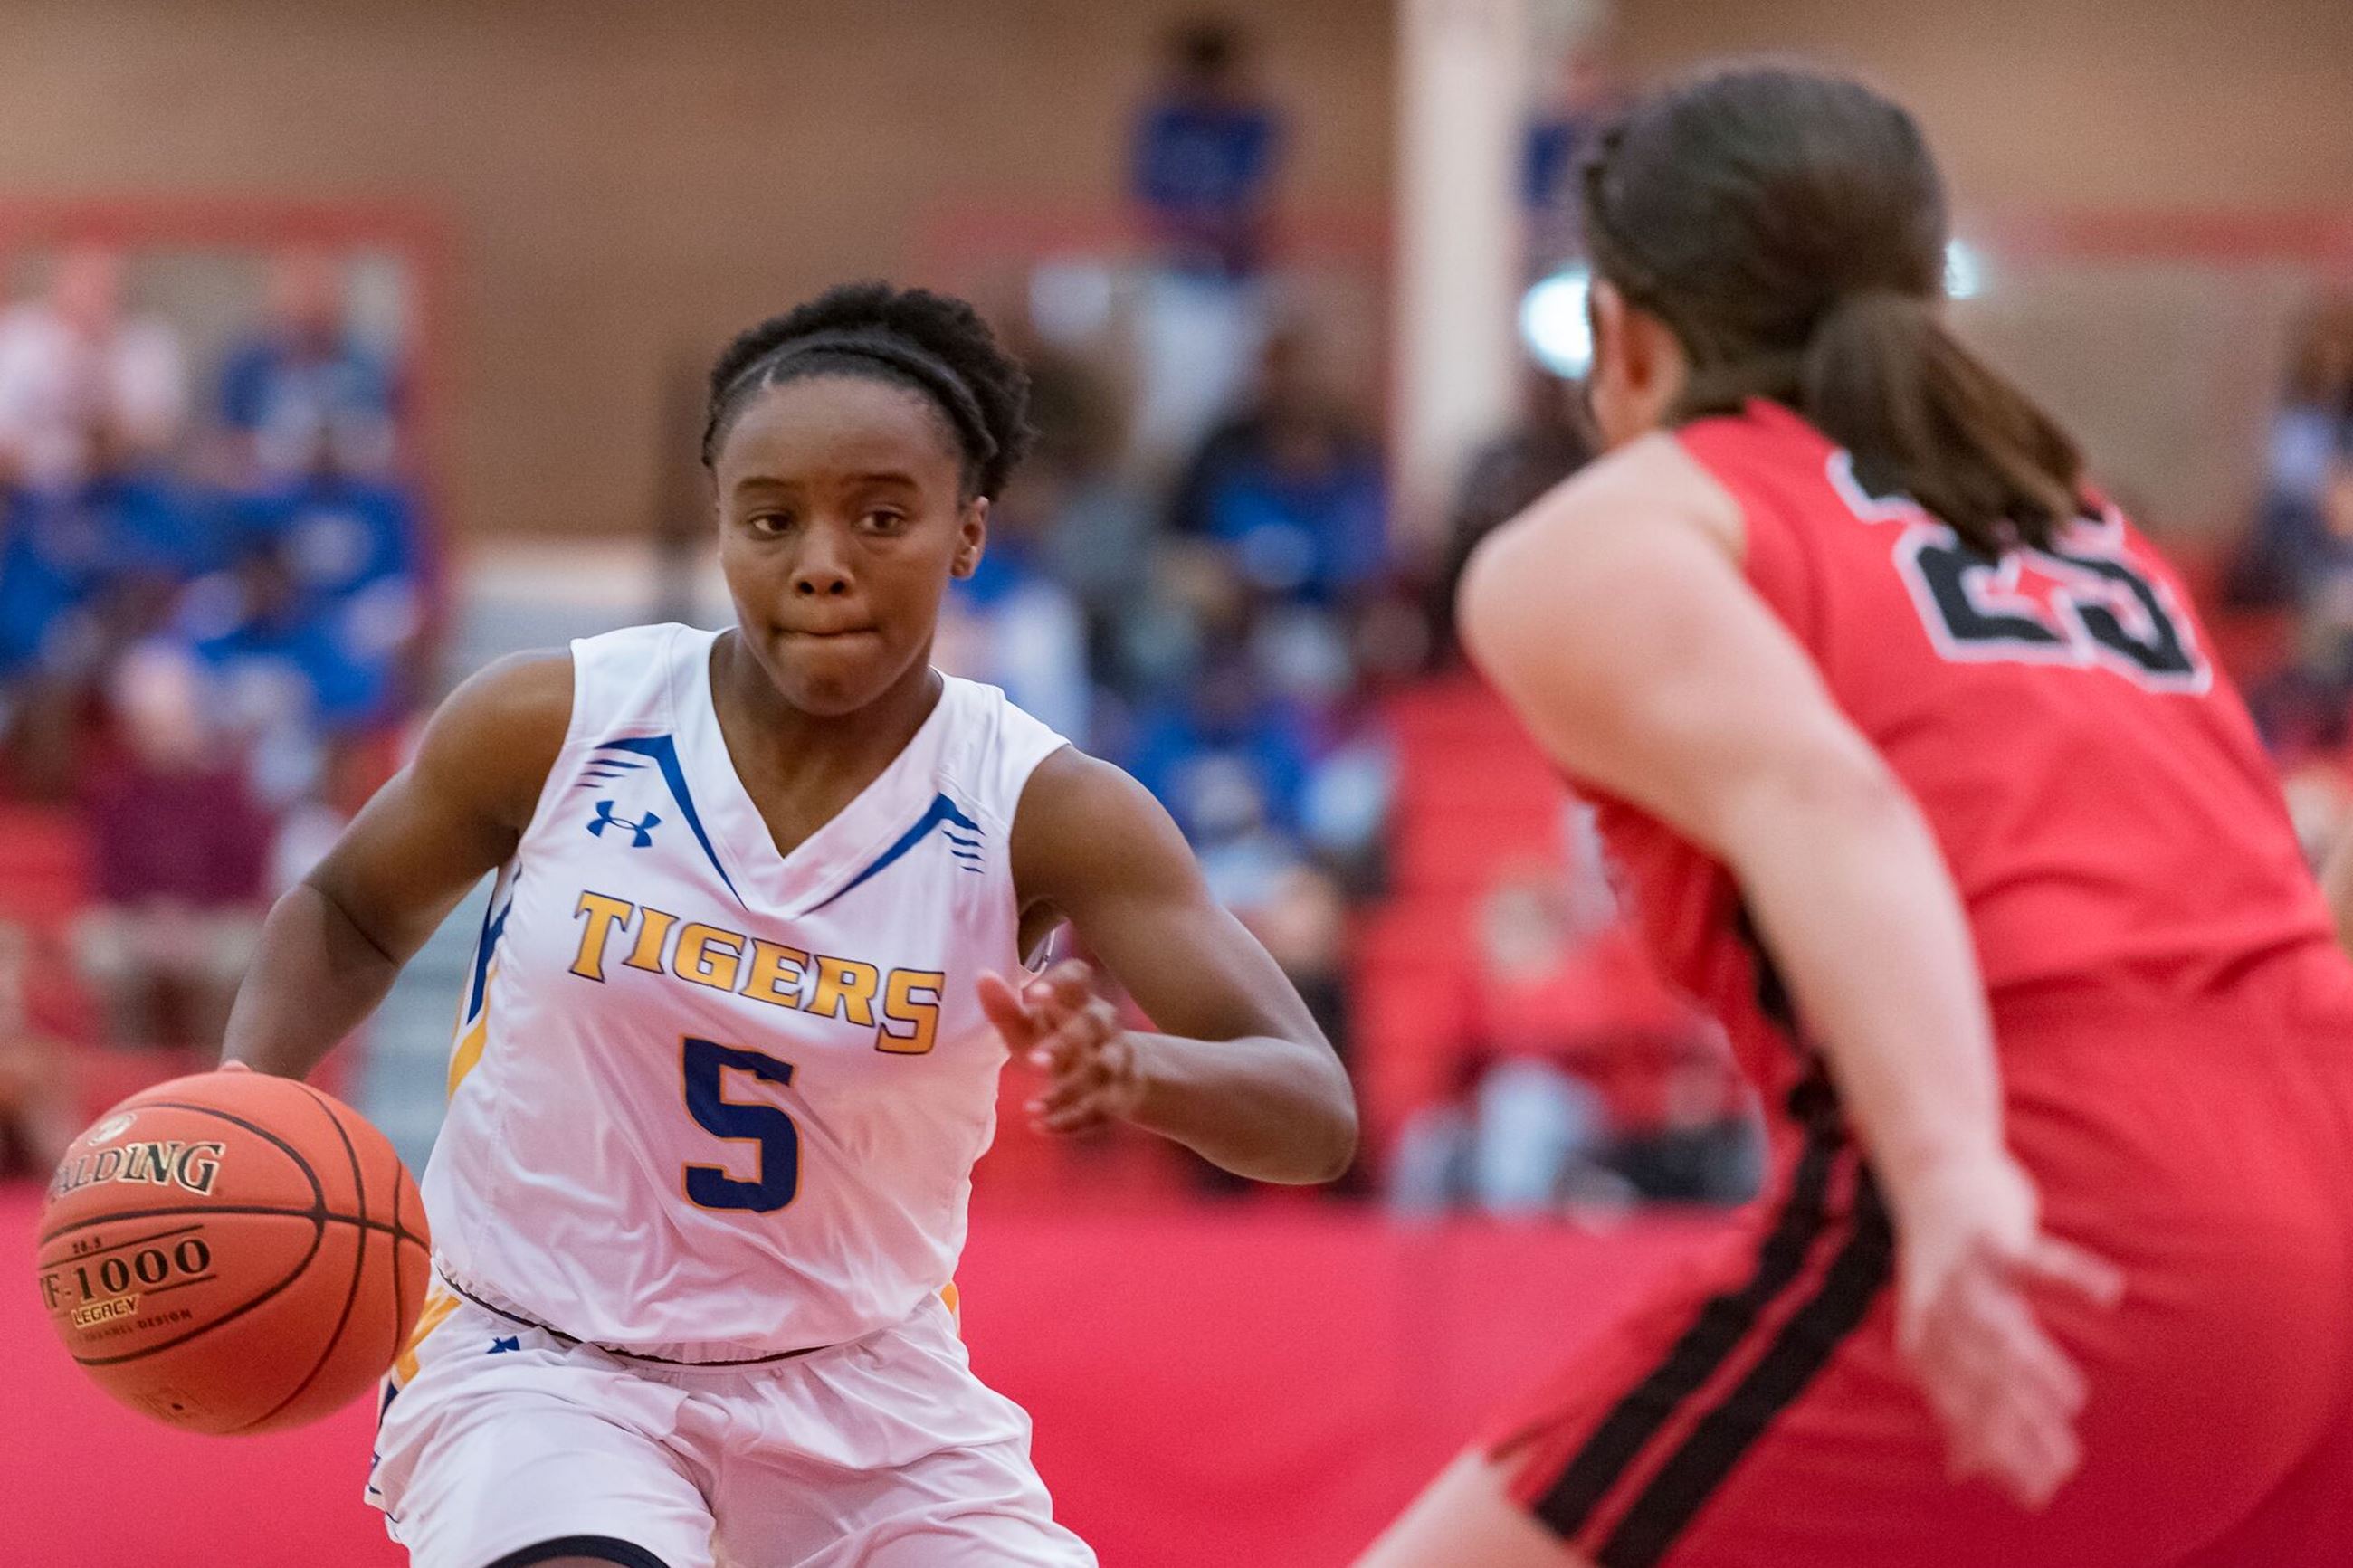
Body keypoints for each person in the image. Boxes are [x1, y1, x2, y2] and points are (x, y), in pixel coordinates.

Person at [1361, 66, 2353, 1568]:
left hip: (2069, 1199)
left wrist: (1953, 1173)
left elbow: (1827, 793)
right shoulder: (2074, 521)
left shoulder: (1621, 529)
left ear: (1621, 336)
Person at [219, 281, 1357, 1568]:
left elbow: (1312, 1107)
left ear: (969, 530)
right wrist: (249, 1089)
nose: (822, 557)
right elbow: (346, 905)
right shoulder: (556, 724)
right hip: (540, 1357)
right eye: (773, 519)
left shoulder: (1048, 808)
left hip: (869, 1391)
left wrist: (1144, 1067)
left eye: (880, 515)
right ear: (722, 530)